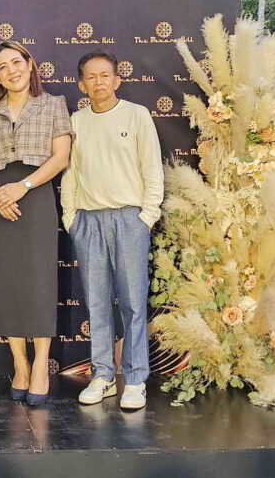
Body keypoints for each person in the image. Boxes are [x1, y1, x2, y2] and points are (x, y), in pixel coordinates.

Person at [0, 41, 72, 406]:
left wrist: (22, 187)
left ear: (30, 65)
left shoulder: (53, 104)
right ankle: (20, 364)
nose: (11, 70)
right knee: (5, 282)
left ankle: (41, 365)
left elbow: (60, 157)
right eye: (3, 67)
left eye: (17, 62)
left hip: (35, 196)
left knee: (38, 282)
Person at [62, 51, 164, 410]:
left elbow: (152, 168)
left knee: (133, 303)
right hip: (88, 220)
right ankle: (103, 375)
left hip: (129, 219)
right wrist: (71, 218)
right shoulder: (75, 122)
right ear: (82, 85)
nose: (99, 82)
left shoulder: (137, 115)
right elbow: (70, 173)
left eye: (105, 75)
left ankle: (134, 380)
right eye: (91, 77)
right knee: (97, 303)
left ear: (117, 80)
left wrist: (146, 216)